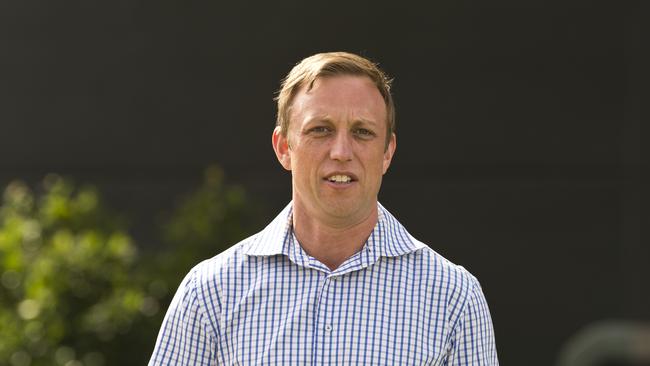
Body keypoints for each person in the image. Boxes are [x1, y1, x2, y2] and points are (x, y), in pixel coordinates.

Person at [149, 52, 499, 365]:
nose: (341, 152)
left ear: (387, 152)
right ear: (284, 146)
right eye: (321, 129)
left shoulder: (453, 298)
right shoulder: (212, 292)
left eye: (362, 132)